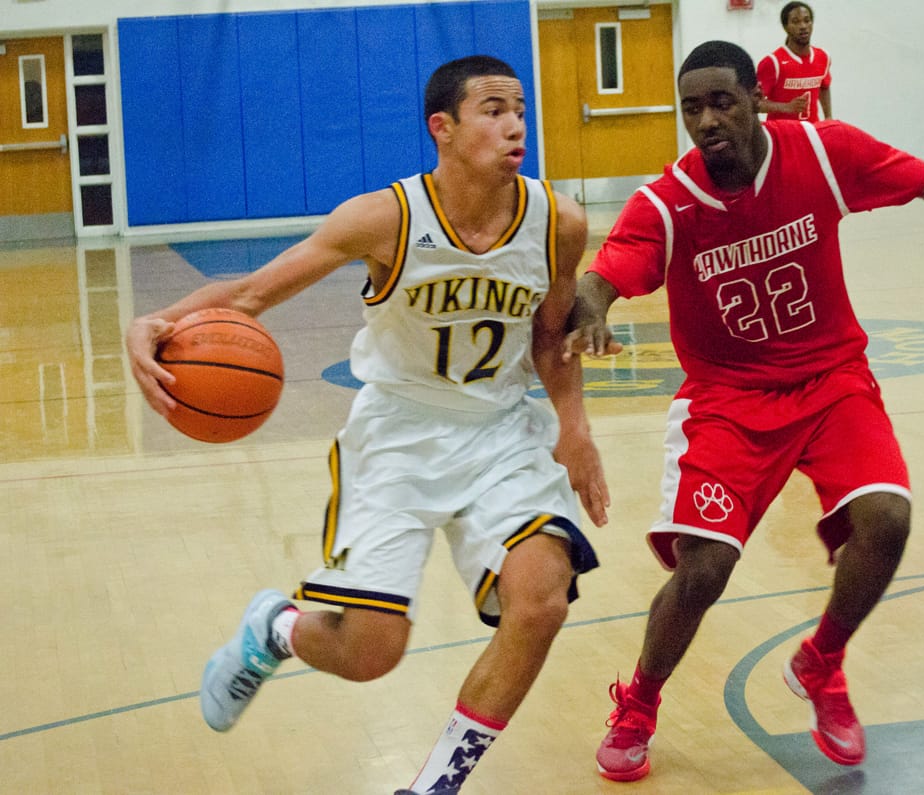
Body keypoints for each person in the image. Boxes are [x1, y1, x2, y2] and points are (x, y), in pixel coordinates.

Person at [565, 40, 924, 781]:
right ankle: (639, 700)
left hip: (833, 380)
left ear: (755, 101)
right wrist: (591, 311)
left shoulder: (824, 155)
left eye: (723, 102)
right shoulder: (667, 202)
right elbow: (603, 277)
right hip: (729, 400)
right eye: (693, 108)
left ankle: (821, 659)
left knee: (888, 519)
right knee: (704, 569)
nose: (707, 120)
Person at [125, 55, 611, 795]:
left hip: (501, 434)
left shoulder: (559, 222)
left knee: (541, 598)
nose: (515, 123)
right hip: (398, 435)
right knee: (372, 650)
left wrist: (573, 428)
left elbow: (550, 335)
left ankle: (434, 785)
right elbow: (252, 294)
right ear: (441, 129)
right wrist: (155, 321)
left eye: (519, 108)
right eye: (492, 109)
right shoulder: (386, 218)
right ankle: (276, 629)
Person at [756, 2, 831, 123]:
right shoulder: (773, 62)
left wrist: (828, 117)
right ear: (785, 27)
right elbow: (753, 103)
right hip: (781, 133)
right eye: (796, 22)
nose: (803, 26)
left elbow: (824, 86)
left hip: (811, 131)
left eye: (807, 20)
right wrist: (786, 107)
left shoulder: (823, 57)